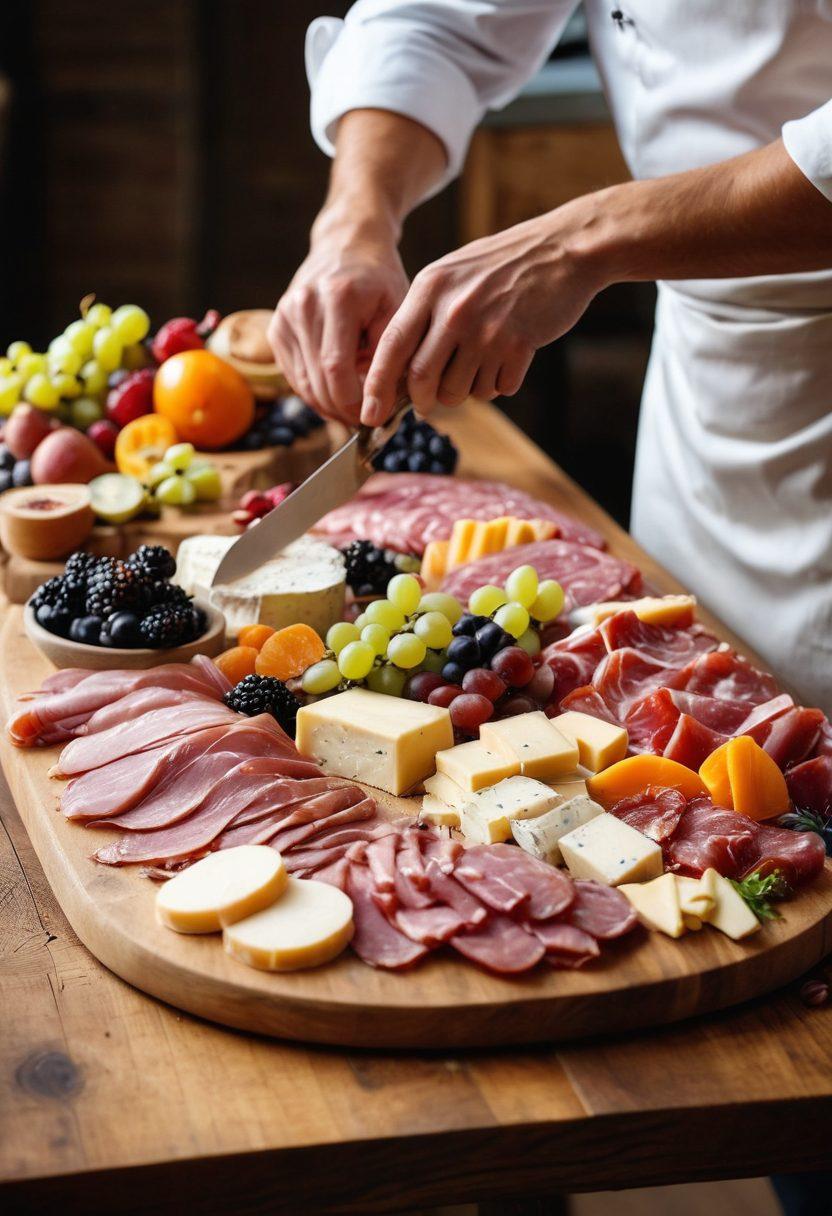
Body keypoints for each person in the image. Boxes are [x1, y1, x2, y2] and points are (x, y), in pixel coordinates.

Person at [269, 1, 832, 715]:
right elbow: (441, 19)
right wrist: (353, 222)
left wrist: (584, 240)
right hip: (712, 360)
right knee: (683, 719)